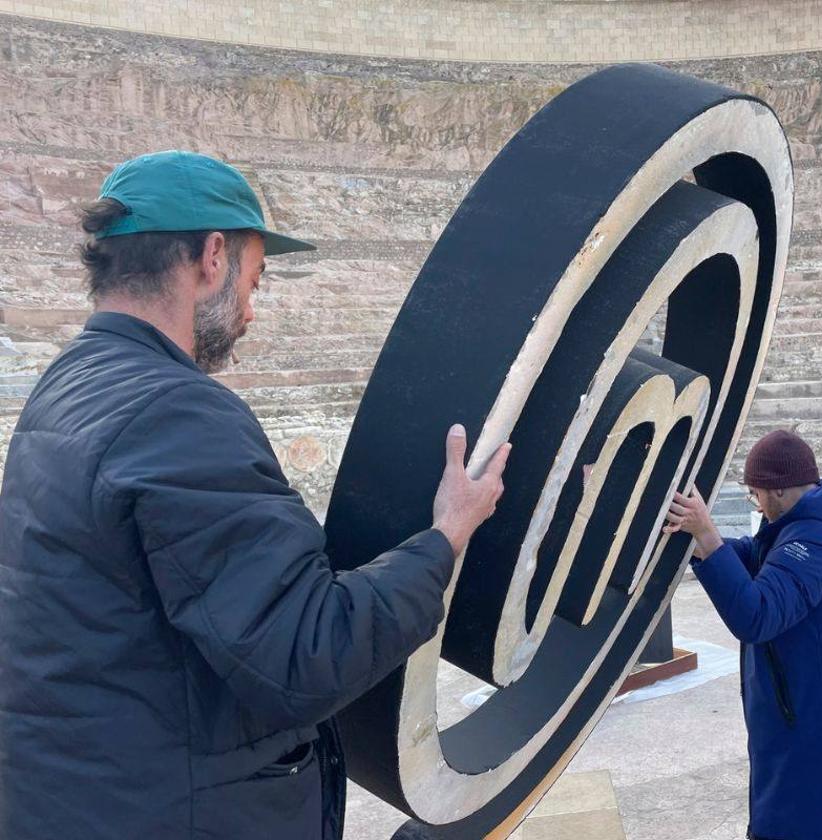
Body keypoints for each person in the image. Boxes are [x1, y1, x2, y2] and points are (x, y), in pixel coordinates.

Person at [0, 150, 509, 840]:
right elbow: (307, 656)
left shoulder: (66, 387)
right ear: (213, 255)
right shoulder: (176, 414)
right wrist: (445, 536)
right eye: (255, 281)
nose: (250, 311)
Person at [665, 430, 822, 840]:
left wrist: (706, 536)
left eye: (754, 495)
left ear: (774, 493)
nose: (756, 504)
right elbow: (761, 560)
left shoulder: (820, 540)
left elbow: (758, 615)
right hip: (811, 721)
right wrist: (707, 543)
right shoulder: (811, 525)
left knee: (800, 826)